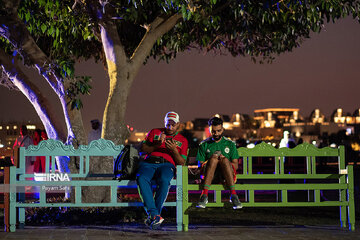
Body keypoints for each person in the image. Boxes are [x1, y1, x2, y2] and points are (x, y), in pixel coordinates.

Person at [137, 111, 188, 230]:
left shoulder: (182, 140)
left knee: (164, 180)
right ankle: (155, 215)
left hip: (167, 164)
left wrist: (174, 151)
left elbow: (182, 162)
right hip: (149, 162)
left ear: (178, 124)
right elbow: (143, 149)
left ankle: (154, 216)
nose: (170, 127)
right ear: (164, 123)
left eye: (173, 125)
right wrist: (157, 144)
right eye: (167, 124)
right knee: (141, 178)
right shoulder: (155, 132)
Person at [196, 117, 242, 209]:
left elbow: (235, 166)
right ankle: (204, 196)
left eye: (218, 131)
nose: (216, 133)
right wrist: (212, 160)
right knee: (213, 159)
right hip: (210, 176)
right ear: (209, 130)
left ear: (223, 130)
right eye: (213, 131)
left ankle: (233, 195)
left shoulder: (230, 144)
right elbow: (200, 166)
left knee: (224, 160)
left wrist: (223, 160)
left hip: (225, 176)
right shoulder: (204, 144)